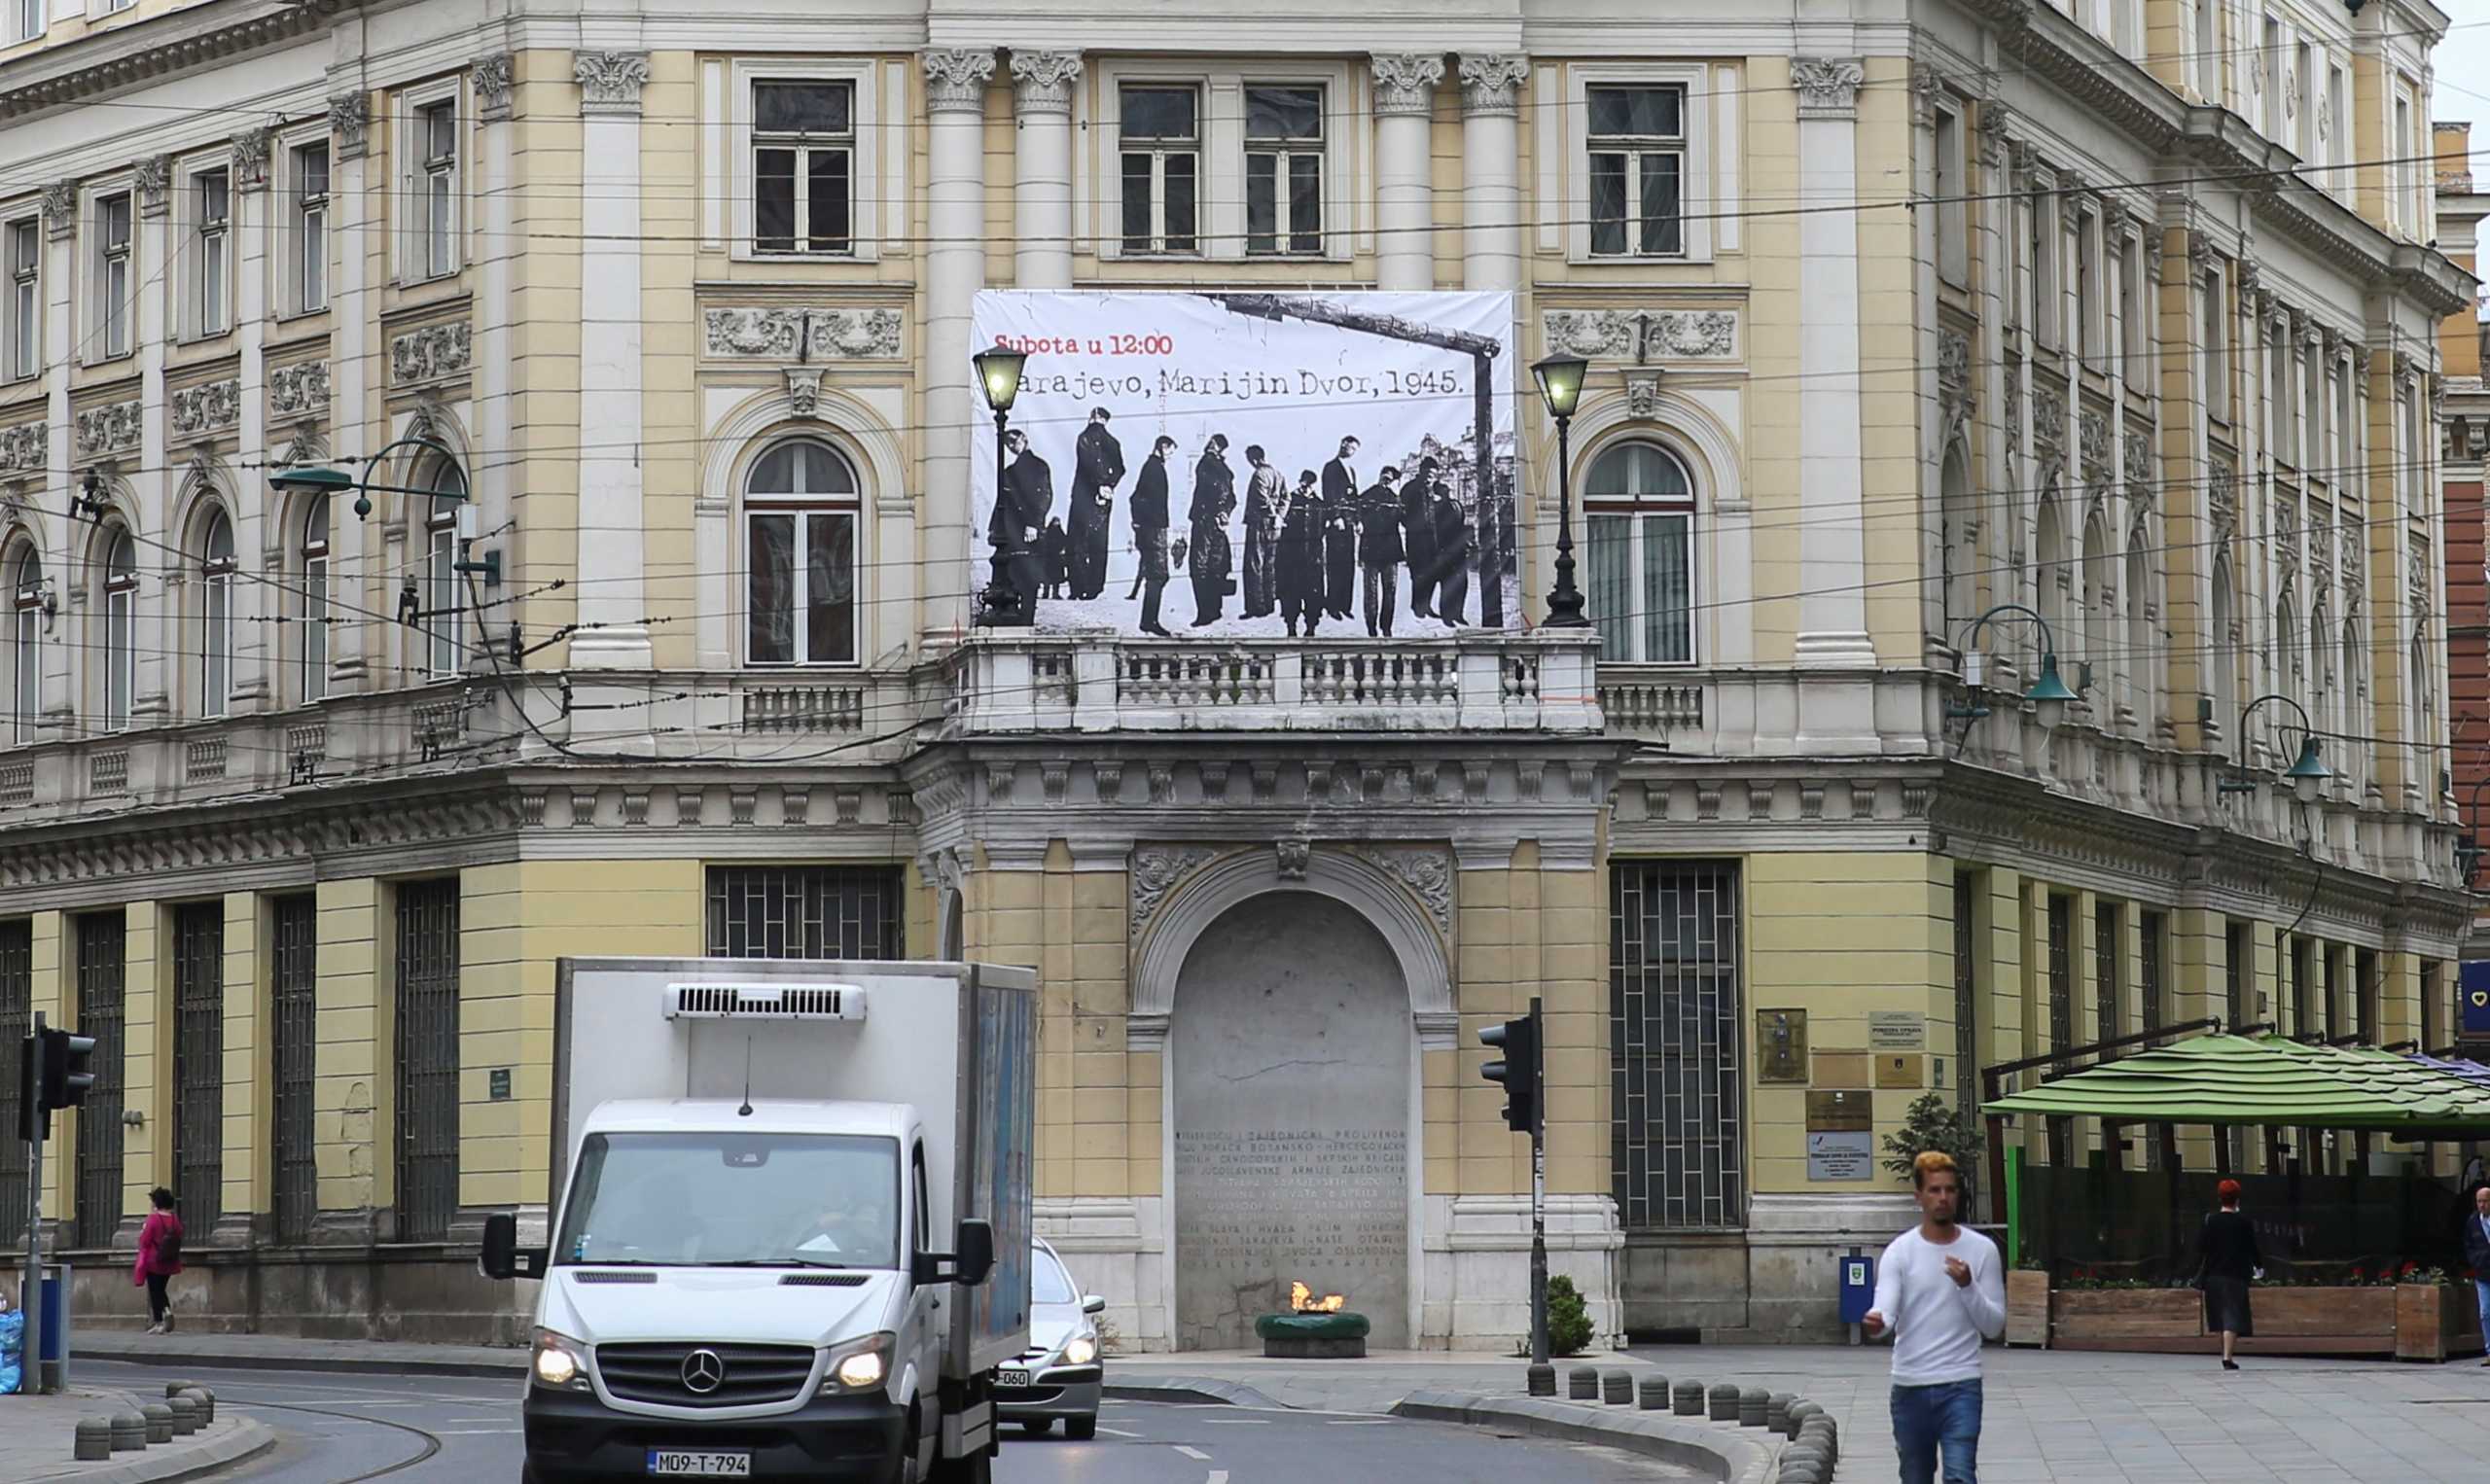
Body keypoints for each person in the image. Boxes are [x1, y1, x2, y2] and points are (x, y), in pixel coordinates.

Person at [1863, 1150, 2004, 1484]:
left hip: (1961, 1384)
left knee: (1959, 1476)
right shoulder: (1900, 1251)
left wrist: (1968, 1286)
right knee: (1915, 1477)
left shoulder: (1982, 1250)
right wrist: (1876, 1322)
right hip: (1911, 1386)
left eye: (1950, 1190)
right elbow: (1886, 1310)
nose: (1943, 1198)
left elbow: (1994, 1326)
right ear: (1919, 1197)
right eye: (1934, 1190)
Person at [2194, 1179, 2263, 1371]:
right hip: (2236, 1275)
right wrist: (2259, 1267)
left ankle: (2225, 1353)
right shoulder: (2244, 1223)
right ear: (2237, 1199)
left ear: (2220, 1198)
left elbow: (2200, 1247)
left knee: (2219, 1317)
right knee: (2232, 1316)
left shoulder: (2211, 1221)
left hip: (2213, 1276)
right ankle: (2227, 1357)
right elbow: (2252, 1248)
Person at [988, 429, 1053, 624]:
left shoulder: (1038, 467)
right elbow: (1001, 501)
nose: (1011, 446)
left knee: (1026, 579)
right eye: (1008, 444)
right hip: (1011, 532)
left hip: (1026, 533)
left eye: (1013, 442)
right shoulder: (1010, 471)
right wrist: (995, 528)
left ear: (1024, 440)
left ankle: (1025, 620)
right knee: (1013, 577)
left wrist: (1033, 523)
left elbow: (1044, 496)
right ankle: (1017, 620)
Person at [1069, 406, 1125, 600]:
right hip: (1105, 497)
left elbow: (1087, 464)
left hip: (1084, 495)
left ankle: (1078, 587)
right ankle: (1095, 587)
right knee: (1099, 541)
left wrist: (1097, 485)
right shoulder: (1113, 442)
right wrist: (1108, 485)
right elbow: (1120, 469)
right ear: (1105, 420)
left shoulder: (1084, 437)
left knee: (1077, 542)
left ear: (1093, 417)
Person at [1130, 435, 1177, 636]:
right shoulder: (1154, 468)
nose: (1171, 455)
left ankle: (1148, 620)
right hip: (1154, 529)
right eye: (1171, 451)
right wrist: (1144, 525)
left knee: (1156, 576)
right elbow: (1137, 499)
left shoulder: (1152, 467)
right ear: (1163, 447)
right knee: (1158, 575)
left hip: (1152, 528)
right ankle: (1149, 621)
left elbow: (1136, 498)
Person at [1187, 435, 1235, 626]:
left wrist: (1217, 511)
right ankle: (1215, 610)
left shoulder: (1207, 463)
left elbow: (1214, 489)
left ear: (1216, 446)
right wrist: (1224, 513)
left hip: (1205, 520)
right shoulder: (1225, 469)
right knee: (1216, 566)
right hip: (1219, 523)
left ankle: (1205, 613)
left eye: (1212, 442)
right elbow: (1231, 497)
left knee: (1199, 567)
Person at [1279, 469, 1327, 637]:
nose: (1306, 488)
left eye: (1310, 485)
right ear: (1300, 482)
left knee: (1313, 595)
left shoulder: (1319, 504)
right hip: (1291, 558)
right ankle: (1290, 627)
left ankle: (1311, 627)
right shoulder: (1289, 502)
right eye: (1304, 484)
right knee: (1290, 594)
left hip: (1313, 559)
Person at [1359, 467, 1405, 637]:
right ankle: (1371, 627)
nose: (1386, 482)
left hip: (1391, 553)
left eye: (1389, 480)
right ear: (1379, 476)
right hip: (1370, 551)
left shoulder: (1396, 499)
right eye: (1384, 478)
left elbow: (1405, 519)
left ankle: (1386, 627)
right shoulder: (1366, 496)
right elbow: (1356, 515)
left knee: (1390, 590)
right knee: (1370, 592)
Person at [1241, 445, 1285, 619]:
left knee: (1254, 565)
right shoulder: (1278, 473)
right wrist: (1280, 517)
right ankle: (1269, 604)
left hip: (1260, 523)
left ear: (1254, 459)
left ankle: (1256, 607)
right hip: (1275, 527)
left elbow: (1262, 499)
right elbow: (1286, 497)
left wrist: (1273, 514)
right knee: (1270, 565)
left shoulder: (1259, 474)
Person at [134, 1186, 184, 1335]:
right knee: (161, 1288)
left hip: (153, 1260)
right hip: (169, 1260)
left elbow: (144, 1240)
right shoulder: (175, 1219)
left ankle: (159, 1322)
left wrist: (144, 1231)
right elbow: (179, 1234)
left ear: (157, 1202)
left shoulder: (153, 1219)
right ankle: (166, 1311)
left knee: (155, 1291)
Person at [1321, 438, 1360, 619]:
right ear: (1343, 444)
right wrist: (1335, 516)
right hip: (1337, 524)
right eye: (1351, 447)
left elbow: (1354, 497)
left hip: (1350, 522)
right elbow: (1329, 493)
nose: (1352, 451)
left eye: (1355, 449)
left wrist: (1358, 520)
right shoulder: (1331, 467)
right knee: (1336, 564)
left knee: (1348, 564)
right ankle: (1333, 606)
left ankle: (1345, 605)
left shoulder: (1351, 470)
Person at [1401, 457, 1440, 619]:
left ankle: (1427, 605)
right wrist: (1412, 526)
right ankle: (1417, 606)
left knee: (1432, 572)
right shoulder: (1409, 488)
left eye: (1434, 474)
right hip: (1416, 538)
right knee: (1418, 573)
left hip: (1433, 537)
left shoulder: (1433, 490)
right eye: (1428, 472)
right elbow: (1400, 512)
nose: (1431, 476)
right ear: (1421, 471)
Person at [1430, 481, 1471, 627]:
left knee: (1463, 583)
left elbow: (1462, 524)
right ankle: (1447, 616)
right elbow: (1435, 531)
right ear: (1438, 492)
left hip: (1459, 549)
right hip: (1444, 550)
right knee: (1447, 584)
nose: (1447, 491)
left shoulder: (1457, 504)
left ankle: (1458, 614)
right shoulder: (1436, 508)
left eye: (1447, 489)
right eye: (1443, 490)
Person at [2465, 1184, 2490, 1367]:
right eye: (2479, 1201)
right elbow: (2468, 1244)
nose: (2482, 1205)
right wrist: (2475, 1261)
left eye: (2485, 1201)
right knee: (2485, 1312)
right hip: (2483, 1274)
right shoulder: (2473, 1221)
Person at [1039, 517, 1069, 600]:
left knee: (1056, 578)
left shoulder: (1059, 532)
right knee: (1048, 578)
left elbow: (1064, 541)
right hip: (1049, 557)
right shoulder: (1049, 532)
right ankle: (1046, 593)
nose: (1057, 524)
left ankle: (1055, 594)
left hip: (1056, 558)